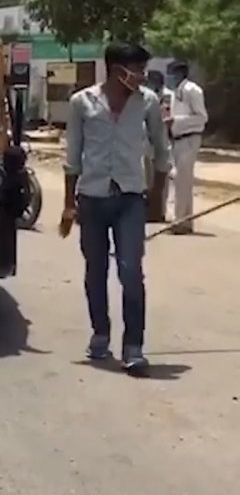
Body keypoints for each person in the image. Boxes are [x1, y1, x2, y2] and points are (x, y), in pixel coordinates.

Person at [60, 42, 171, 375]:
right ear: (116, 70)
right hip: (92, 199)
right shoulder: (82, 102)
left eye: (143, 70)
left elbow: (161, 151)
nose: (141, 76)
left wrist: (157, 195)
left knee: (130, 271)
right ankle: (100, 334)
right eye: (136, 70)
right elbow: (72, 156)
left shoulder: (148, 102)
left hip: (130, 199)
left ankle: (134, 347)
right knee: (96, 271)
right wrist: (68, 205)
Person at [165, 61, 209, 234]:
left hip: (189, 139)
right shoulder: (177, 92)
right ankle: (184, 220)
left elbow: (201, 117)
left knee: (183, 181)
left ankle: (181, 221)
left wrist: (176, 121)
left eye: (171, 73)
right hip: (177, 139)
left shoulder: (192, 90)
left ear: (179, 73)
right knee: (178, 180)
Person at [142, 70, 172, 222]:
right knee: (148, 178)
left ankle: (160, 211)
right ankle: (149, 209)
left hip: (163, 140)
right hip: (147, 142)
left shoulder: (168, 96)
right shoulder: (145, 97)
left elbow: (167, 118)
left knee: (162, 178)